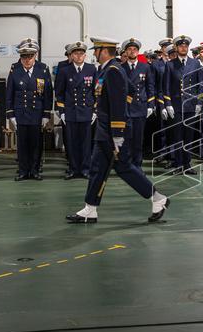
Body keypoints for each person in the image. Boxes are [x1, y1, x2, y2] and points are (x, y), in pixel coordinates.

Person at [66, 37, 170, 224]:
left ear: (104, 51)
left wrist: (118, 134)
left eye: (96, 50)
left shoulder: (113, 71)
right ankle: (90, 208)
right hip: (104, 131)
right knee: (97, 169)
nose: (94, 54)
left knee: (124, 168)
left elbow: (117, 104)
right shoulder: (108, 69)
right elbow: (129, 91)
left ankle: (158, 198)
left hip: (112, 133)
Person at [6, 43, 54, 180]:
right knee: (22, 144)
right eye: (24, 57)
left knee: (36, 144)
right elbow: (9, 93)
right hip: (20, 113)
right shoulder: (15, 70)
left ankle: (34, 170)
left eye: (30, 56)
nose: (27, 60)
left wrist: (46, 114)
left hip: (36, 114)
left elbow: (48, 94)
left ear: (35, 56)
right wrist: (11, 114)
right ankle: (23, 171)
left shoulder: (43, 69)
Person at [164, 34, 203, 175]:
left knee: (188, 136)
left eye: (185, 46)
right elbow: (166, 86)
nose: (183, 48)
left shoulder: (195, 64)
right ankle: (178, 164)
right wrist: (167, 104)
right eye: (181, 46)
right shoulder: (170, 64)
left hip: (190, 105)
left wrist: (199, 102)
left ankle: (187, 164)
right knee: (177, 137)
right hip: (176, 106)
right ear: (176, 47)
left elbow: (200, 85)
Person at [56, 41, 96, 179]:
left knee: (86, 143)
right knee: (72, 143)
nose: (78, 56)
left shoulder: (92, 69)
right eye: (75, 54)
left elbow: (97, 91)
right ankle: (73, 169)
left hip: (86, 111)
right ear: (71, 55)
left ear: (85, 55)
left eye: (81, 54)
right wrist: (61, 112)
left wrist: (95, 111)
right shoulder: (64, 71)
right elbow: (59, 93)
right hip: (70, 112)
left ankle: (85, 169)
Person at [120, 39, 155, 167]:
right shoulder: (121, 67)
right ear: (126, 51)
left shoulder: (145, 67)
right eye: (129, 49)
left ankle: (137, 164)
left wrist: (151, 105)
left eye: (134, 49)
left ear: (138, 52)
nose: (132, 51)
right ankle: (127, 164)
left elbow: (150, 86)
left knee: (138, 139)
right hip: (126, 108)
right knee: (126, 139)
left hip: (140, 107)